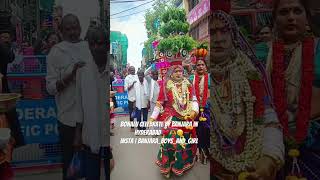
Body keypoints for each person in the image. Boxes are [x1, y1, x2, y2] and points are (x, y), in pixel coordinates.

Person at [209, 10, 285, 180]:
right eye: (211, 32)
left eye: (224, 30)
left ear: (234, 36)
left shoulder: (251, 74)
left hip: (253, 170)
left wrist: (268, 161)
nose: (218, 38)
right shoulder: (193, 79)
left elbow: (269, 119)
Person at [260, 0, 320, 179]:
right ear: (275, 20)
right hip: (271, 141)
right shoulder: (261, 53)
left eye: (297, 11)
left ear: (307, 18)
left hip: (315, 140)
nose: (291, 17)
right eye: (284, 12)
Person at [46, 14, 87, 180]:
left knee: (89, 164)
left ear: (80, 28)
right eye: (68, 29)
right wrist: (71, 75)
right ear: (61, 31)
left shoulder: (89, 48)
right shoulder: (55, 53)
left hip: (88, 118)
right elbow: (50, 88)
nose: (72, 32)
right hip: (67, 119)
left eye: (75, 27)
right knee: (70, 165)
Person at [149, 56, 199, 178]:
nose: (178, 73)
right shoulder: (166, 86)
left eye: (181, 71)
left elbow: (193, 99)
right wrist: (153, 117)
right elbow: (160, 102)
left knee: (184, 142)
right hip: (171, 117)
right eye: (176, 71)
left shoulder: (188, 85)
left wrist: (193, 111)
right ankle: (167, 166)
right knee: (172, 141)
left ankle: (180, 166)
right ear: (171, 73)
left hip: (186, 116)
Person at [77, 26, 113, 180]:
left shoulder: (110, 71)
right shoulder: (82, 71)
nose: (96, 47)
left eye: (100, 43)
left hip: (107, 139)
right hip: (89, 136)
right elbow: (79, 103)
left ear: (107, 44)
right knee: (91, 175)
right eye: (92, 43)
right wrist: (77, 134)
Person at [190, 47, 210, 165]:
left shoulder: (210, 78)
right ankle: (197, 151)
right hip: (195, 108)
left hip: (207, 108)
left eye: (202, 65)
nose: (200, 67)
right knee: (196, 130)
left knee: (207, 130)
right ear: (195, 67)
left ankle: (206, 149)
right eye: (198, 65)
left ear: (206, 66)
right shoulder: (192, 78)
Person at [124, 66, 138, 131]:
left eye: (134, 70)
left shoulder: (137, 76)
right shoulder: (127, 78)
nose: (133, 71)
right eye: (132, 70)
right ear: (129, 71)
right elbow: (125, 89)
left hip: (137, 98)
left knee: (138, 112)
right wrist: (132, 84)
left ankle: (138, 125)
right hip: (131, 98)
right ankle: (132, 127)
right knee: (131, 113)